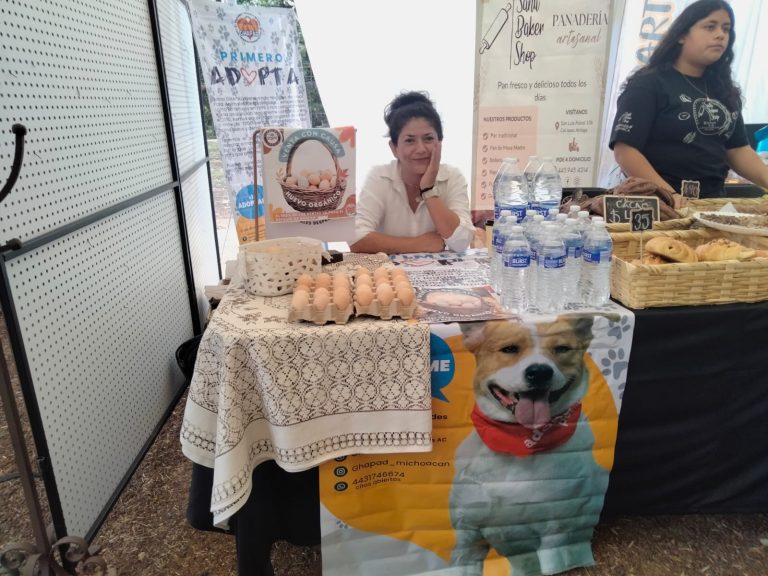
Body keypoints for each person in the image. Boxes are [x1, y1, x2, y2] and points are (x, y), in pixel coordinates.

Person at [609, 0, 768, 199]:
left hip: (713, 206)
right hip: (658, 206)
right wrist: (670, 195)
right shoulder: (649, 83)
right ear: (682, 35)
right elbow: (626, 151)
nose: (721, 35)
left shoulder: (724, 89)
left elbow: (737, 150)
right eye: (710, 27)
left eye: (726, 29)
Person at [351, 91, 475, 254]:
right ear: (394, 148)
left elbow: (461, 242)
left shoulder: (453, 177)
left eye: (428, 139)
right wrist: (418, 244)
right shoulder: (379, 177)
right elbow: (357, 239)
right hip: (389, 277)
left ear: (440, 143)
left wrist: (428, 190)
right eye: (410, 140)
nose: (421, 149)